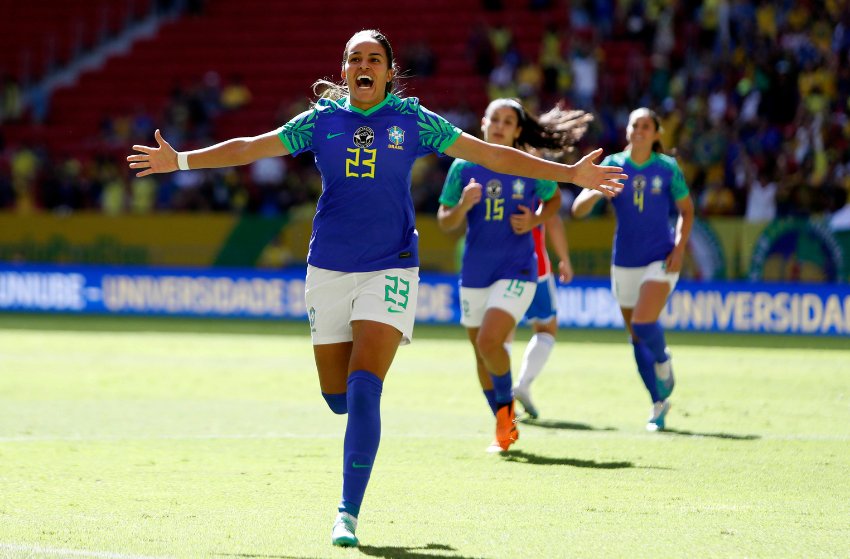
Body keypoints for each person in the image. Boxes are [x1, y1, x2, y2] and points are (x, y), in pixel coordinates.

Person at [127, 30, 625, 548]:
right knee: (337, 397)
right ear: (344, 71)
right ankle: (357, 426)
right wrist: (180, 160)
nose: (364, 65)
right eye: (354, 58)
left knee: (366, 387)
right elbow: (252, 148)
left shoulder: (413, 119)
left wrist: (569, 174)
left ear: (390, 71)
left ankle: (348, 513)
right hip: (328, 269)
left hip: (391, 267)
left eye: (374, 58)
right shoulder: (320, 121)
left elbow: (493, 156)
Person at [436, 98, 591, 452]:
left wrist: (536, 219)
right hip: (476, 271)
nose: (501, 126)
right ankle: (504, 421)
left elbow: (553, 202)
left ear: (518, 130)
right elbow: (445, 220)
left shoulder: (528, 166)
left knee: (491, 341)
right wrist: (462, 205)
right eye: (496, 119)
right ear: (483, 123)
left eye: (509, 121)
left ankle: (506, 418)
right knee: (480, 354)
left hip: (518, 269)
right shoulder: (463, 167)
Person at [572, 107, 693, 432]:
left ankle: (664, 361)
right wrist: (596, 193)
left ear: (656, 134)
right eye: (633, 124)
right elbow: (578, 209)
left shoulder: (667, 168)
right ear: (627, 130)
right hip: (624, 262)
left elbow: (686, 210)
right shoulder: (612, 165)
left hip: (660, 258)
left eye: (645, 126)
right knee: (636, 337)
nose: (638, 130)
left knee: (643, 321)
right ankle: (658, 403)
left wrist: (680, 248)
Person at [512, 210, 574, 419]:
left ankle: (501, 400)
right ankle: (522, 384)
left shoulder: (481, 178)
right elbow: (553, 218)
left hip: (492, 267)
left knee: (500, 332)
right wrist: (564, 258)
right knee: (546, 328)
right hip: (533, 265)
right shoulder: (539, 178)